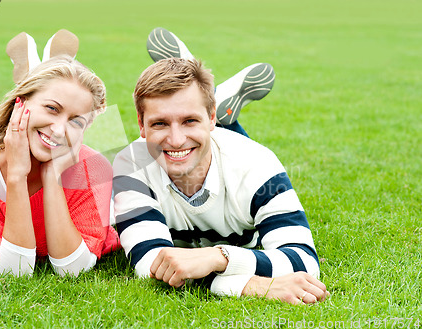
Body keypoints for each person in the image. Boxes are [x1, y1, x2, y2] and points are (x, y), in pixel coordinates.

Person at [112, 29, 329, 305]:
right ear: (141, 126)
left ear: (212, 117)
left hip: (231, 154)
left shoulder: (257, 164)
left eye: (190, 120)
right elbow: (151, 265)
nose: (176, 139)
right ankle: (195, 81)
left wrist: (218, 257)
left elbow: (304, 260)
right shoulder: (130, 164)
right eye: (160, 123)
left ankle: (199, 83)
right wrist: (253, 285)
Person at [0, 31, 120, 277]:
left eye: (76, 122)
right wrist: (16, 176)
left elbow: (72, 269)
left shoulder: (93, 167)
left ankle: (44, 74)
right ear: (20, 103)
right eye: (52, 108)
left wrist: (53, 176)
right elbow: (14, 272)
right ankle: (44, 70)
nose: (58, 130)